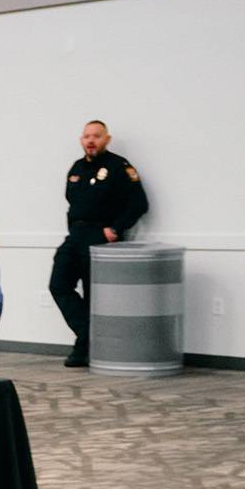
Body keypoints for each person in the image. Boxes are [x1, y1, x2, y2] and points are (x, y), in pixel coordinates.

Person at [50, 120, 147, 367]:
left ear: (107, 139)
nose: (91, 141)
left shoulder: (119, 167)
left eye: (96, 136)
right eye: (86, 136)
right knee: (59, 285)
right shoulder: (77, 167)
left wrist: (115, 229)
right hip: (76, 236)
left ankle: (84, 347)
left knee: (95, 295)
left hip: (101, 237)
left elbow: (139, 203)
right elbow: (73, 202)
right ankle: (88, 336)